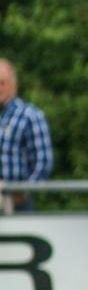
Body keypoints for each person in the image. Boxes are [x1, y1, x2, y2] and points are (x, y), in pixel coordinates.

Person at [0, 58, 53, 212]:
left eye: (2, 82)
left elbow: (43, 163)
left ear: (13, 84)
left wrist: (23, 193)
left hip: (17, 204)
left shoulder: (30, 115)